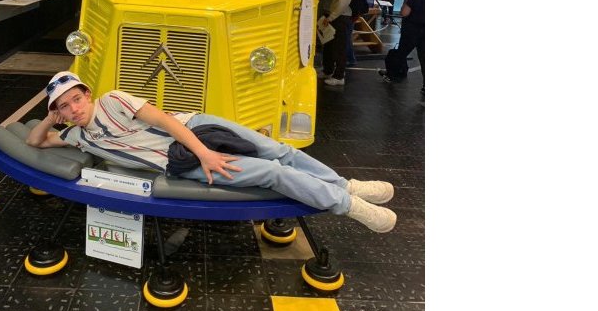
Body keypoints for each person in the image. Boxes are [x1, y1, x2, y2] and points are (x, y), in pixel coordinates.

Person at [26, 72, 397, 233]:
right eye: (65, 107)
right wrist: (49, 116)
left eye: (76, 99)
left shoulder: (113, 99)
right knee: (272, 172)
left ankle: (344, 185)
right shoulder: (78, 137)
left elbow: (167, 121)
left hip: (195, 129)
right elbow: (35, 142)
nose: (73, 109)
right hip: (180, 164)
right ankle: (349, 206)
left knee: (277, 150)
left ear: (87, 94)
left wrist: (205, 152)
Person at [380, 0, 424, 91]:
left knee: (401, 53)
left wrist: (406, 1)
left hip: (411, 30)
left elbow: (404, 12)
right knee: (424, 58)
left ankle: (392, 75)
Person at [318, 0, 356, 86]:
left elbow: (343, 2)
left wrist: (331, 16)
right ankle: (329, 71)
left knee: (339, 48)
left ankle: (339, 76)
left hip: (341, 17)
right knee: (330, 45)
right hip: (337, 16)